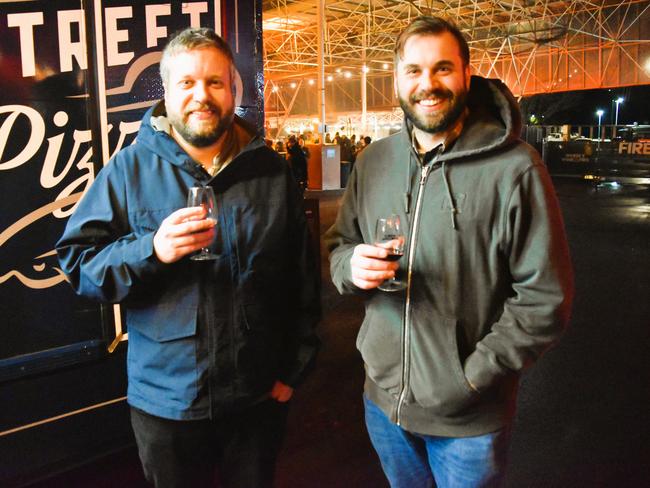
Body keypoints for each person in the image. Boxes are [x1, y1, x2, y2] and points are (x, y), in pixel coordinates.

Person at [56, 27, 320, 488]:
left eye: (215, 82)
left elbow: (302, 279)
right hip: (167, 405)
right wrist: (151, 250)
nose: (203, 95)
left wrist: (292, 371)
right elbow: (79, 265)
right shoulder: (129, 170)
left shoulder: (271, 172)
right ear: (167, 91)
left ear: (233, 89)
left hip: (255, 400)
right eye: (187, 83)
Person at [325, 16, 573, 488]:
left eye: (442, 69)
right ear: (397, 79)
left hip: (468, 424)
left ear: (465, 74)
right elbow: (338, 245)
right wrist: (350, 266)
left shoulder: (515, 169)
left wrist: (471, 380)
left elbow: (545, 299)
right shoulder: (374, 161)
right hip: (383, 405)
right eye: (413, 71)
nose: (428, 84)